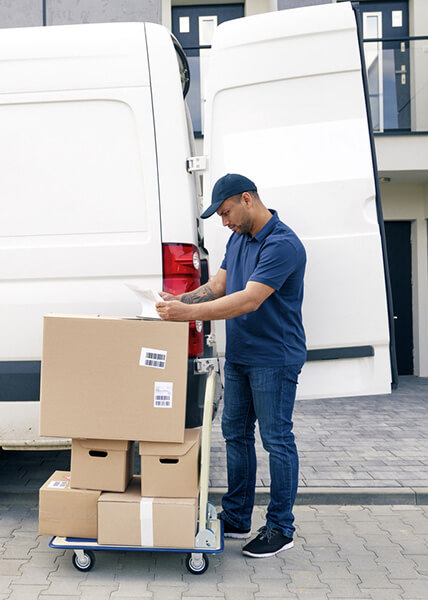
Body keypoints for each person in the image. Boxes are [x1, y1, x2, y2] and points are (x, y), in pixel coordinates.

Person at [156, 173, 306, 558]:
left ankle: (280, 528)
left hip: (274, 357)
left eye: (226, 213)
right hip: (240, 355)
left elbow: (247, 300)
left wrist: (185, 314)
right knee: (235, 434)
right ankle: (238, 516)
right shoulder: (238, 238)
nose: (224, 222)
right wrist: (178, 300)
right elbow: (220, 286)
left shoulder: (283, 244)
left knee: (276, 441)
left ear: (247, 199)